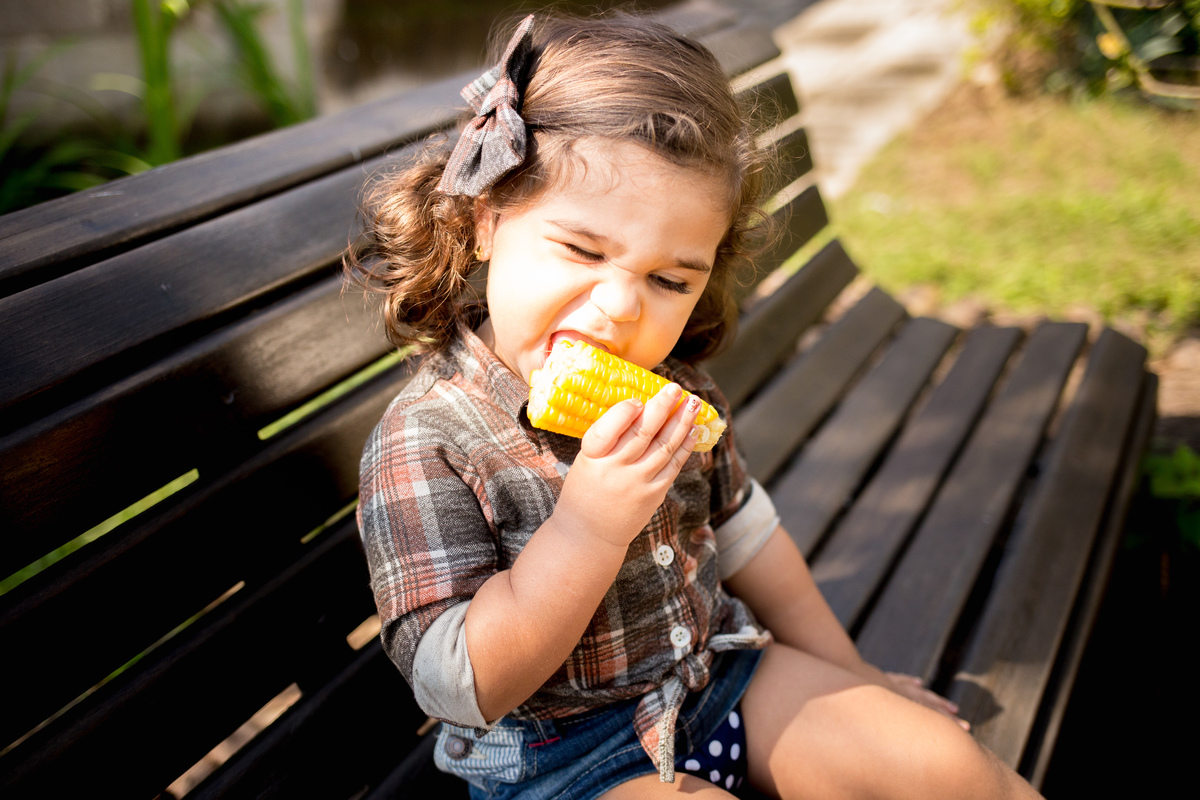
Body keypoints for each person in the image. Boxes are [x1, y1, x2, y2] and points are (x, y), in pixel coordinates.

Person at [347, 12, 1044, 800]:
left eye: (670, 280)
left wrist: (857, 679)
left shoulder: (675, 388)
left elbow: (745, 534)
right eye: (582, 249)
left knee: (948, 767)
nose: (618, 309)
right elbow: (460, 687)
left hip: (717, 681)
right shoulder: (427, 440)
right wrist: (586, 531)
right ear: (486, 220)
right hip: (564, 762)